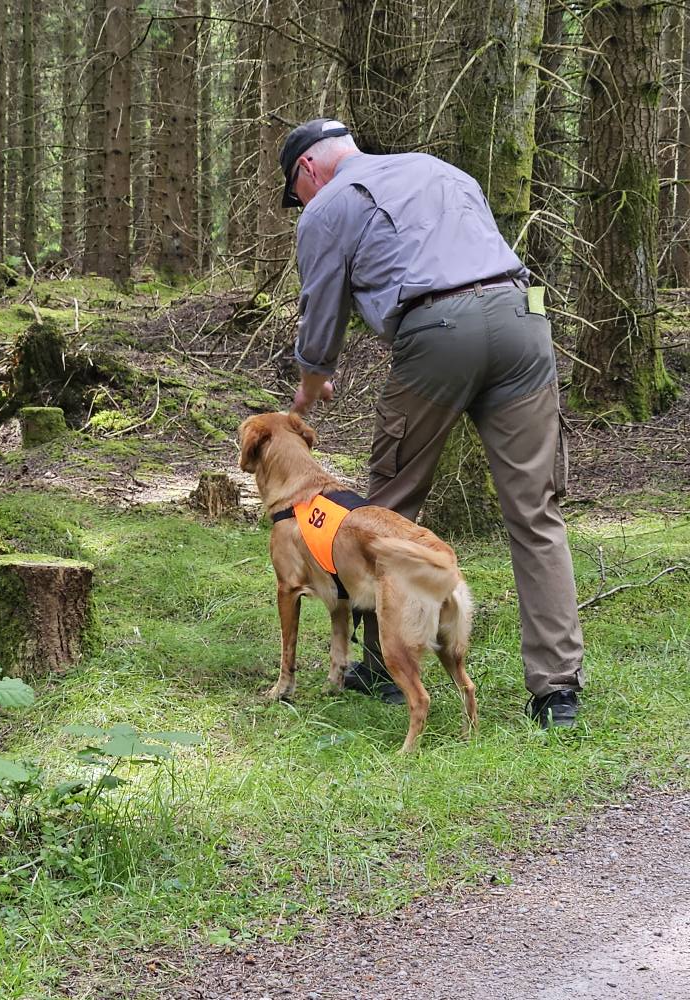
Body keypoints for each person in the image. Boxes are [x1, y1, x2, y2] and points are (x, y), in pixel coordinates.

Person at [278, 118, 584, 728]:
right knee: (536, 513)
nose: (301, 206)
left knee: (387, 506)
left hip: (439, 331)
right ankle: (558, 692)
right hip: (524, 319)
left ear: (308, 170)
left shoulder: (328, 205)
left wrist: (311, 385)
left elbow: (321, 307)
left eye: (296, 193)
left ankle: (386, 669)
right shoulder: (437, 168)